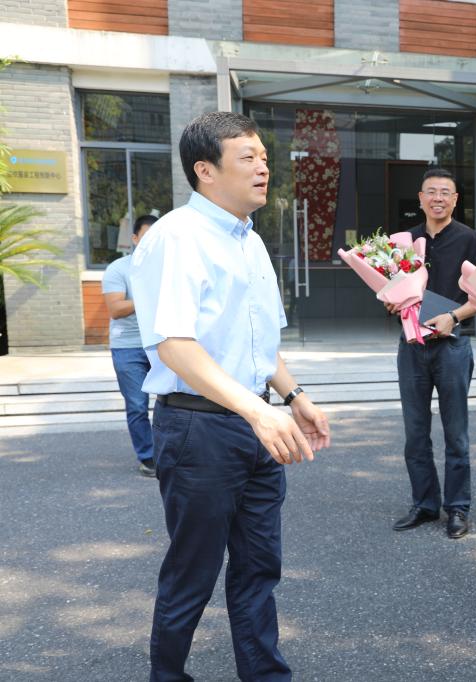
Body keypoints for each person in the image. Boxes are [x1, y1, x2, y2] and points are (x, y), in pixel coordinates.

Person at [130, 111, 331, 682]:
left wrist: (294, 395)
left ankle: (265, 675)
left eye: (264, 157)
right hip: (199, 429)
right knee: (192, 574)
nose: (264, 168)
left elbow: (258, 341)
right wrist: (257, 410)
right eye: (248, 158)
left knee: (259, 567)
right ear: (206, 170)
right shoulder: (177, 237)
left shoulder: (251, 240)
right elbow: (174, 345)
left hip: (257, 422)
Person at [389, 168, 476, 540]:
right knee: (415, 434)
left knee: (456, 434)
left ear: (455, 199)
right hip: (412, 347)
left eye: (446, 192)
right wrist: (391, 301)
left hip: (452, 347)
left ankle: (457, 508)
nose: (438, 198)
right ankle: (425, 504)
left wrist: (453, 317)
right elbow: (392, 286)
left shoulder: (469, 239)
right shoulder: (404, 241)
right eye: (431, 191)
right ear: (421, 198)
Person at [102, 214, 158, 477]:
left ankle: (169, 450)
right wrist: (150, 297)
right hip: (128, 347)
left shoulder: (169, 268)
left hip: (162, 343)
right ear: (134, 238)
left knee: (174, 402)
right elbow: (115, 309)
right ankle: (148, 457)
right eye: (146, 237)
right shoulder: (118, 269)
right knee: (137, 405)